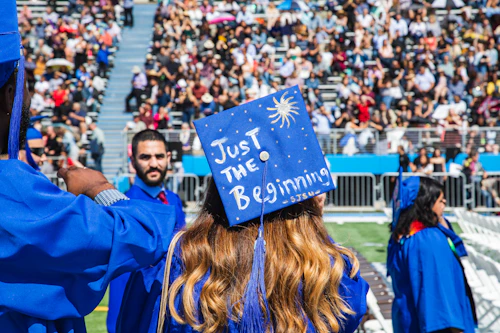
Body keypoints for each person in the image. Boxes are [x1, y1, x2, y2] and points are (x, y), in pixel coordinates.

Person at [117, 87, 368, 333]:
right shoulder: (325, 269)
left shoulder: (181, 263)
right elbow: (351, 312)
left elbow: (134, 323)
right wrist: (314, 228)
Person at [0, 3, 177, 330]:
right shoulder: (17, 194)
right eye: (26, 84)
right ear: (10, 93)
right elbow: (144, 233)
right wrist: (99, 188)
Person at [107, 130, 186, 333]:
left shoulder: (173, 199)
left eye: (159, 156)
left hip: (172, 307)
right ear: (132, 161)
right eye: (145, 157)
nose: (153, 163)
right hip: (137, 310)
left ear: (168, 157)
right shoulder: (124, 207)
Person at [387, 174, 477, 333]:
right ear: (425, 203)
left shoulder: (406, 236)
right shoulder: (427, 241)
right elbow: (438, 308)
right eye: (439, 199)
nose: (445, 202)